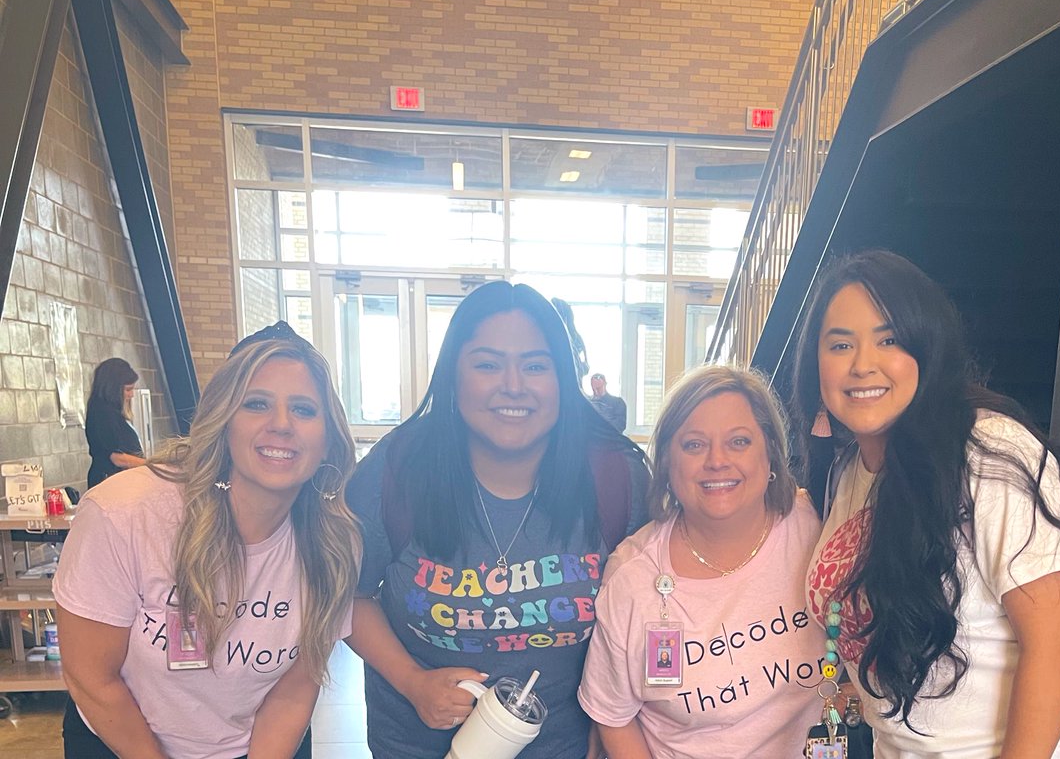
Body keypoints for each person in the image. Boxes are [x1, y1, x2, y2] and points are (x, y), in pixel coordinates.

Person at [790, 250, 1060, 757]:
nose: (862, 364)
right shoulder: (847, 473)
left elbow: (1056, 644)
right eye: (840, 344)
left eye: (888, 340)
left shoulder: (988, 452)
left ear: (926, 350)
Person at [346, 281, 649, 759]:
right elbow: (346, 595)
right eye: (487, 364)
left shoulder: (613, 477)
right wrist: (413, 682)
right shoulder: (399, 469)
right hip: (418, 745)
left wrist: (612, 722)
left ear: (562, 379)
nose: (513, 386)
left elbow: (645, 616)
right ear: (453, 375)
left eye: (535, 366)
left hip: (564, 747)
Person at [54, 322, 362, 759]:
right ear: (222, 423)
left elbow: (294, 690)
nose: (281, 425)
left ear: (329, 439)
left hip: (252, 741)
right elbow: (92, 678)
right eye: (256, 404)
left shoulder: (334, 541)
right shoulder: (125, 513)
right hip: (120, 738)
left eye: (304, 410)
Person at [579, 365, 828, 758]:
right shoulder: (632, 578)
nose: (717, 461)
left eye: (739, 441)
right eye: (694, 445)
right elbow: (614, 715)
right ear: (666, 464)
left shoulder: (812, 525)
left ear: (772, 454)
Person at [84, 358, 146, 488]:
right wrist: (150, 464)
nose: (132, 395)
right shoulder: (102, 413)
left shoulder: (112, 413)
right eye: (128, 390)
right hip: (110, 481)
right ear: (113, 389)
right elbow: (117, 458)